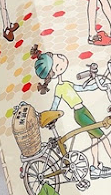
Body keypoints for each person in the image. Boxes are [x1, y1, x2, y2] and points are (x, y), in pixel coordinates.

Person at [31, 44, 111, 179]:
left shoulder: (67, 84)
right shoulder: (59, 88)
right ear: (55, 73)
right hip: (80, 114)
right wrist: (49, 116)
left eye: (58, 56)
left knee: (94, 139)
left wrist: (99, 84)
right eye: (58, 64)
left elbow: (83, 88)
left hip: (84, 110)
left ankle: (95, 167)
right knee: (102, 137)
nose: (62, 60)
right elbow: (55, 105)